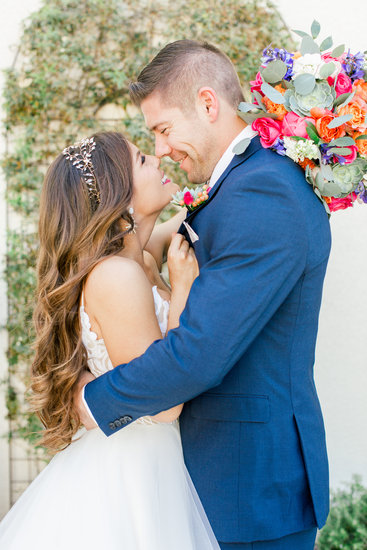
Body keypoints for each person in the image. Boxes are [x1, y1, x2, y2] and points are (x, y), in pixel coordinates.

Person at [77, 41, 332, 549]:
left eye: (163, 129)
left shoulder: (262, 192)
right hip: (219, 482)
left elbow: (199, 354)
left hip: (249, 488)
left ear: (208, 104)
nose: (163, 149)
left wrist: (91, 399)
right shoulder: (238, 188)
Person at [0, 131, 220, 550]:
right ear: (118, 199)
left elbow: (208, 205)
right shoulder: (116, 276)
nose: (158, 159)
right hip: (130, 471)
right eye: (142, 161)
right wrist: (184, 291)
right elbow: (164, 402)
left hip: (154, 460)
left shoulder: (140, 257)